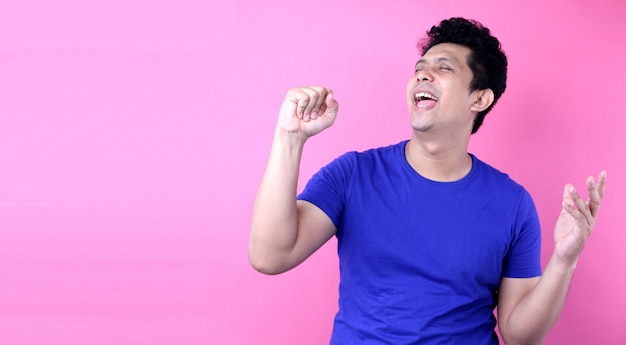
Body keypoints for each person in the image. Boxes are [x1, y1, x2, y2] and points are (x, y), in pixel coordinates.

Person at [248, 17, 607, 344]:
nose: (422, 75)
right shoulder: (352, 175)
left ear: (480, 98)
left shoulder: (513, 203)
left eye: (443, 68)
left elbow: (519, 335)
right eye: (420, 69)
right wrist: (289, 138)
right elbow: (269, 256)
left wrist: (564, 259)